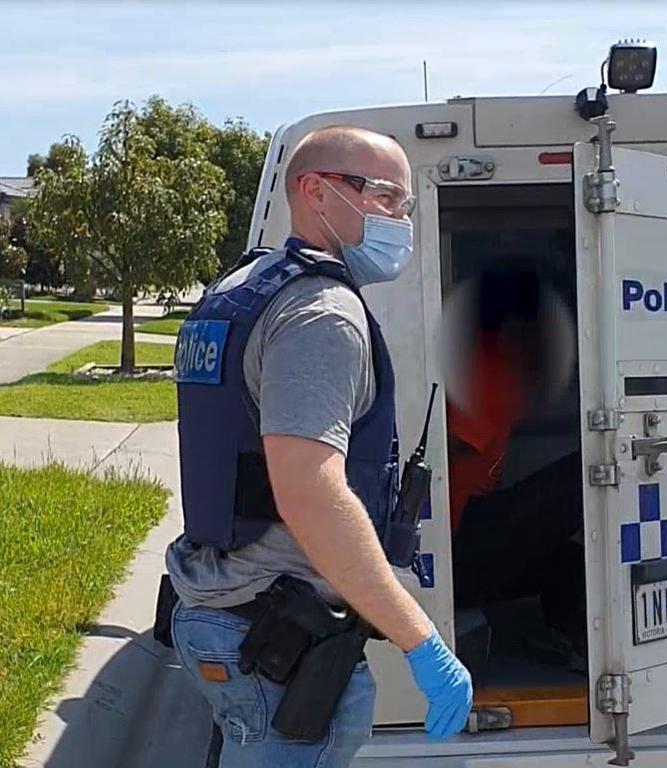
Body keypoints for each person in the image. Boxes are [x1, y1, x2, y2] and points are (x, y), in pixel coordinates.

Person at [164, 125, 472, 767]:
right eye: (388, 197)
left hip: (224, 613)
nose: (402, 221)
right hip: (273, 637)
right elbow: (309, 494)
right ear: (318, 192)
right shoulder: (322, 314)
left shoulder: (240, 289)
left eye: (406, 205)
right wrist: (420, 639)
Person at [447, 269, 586, 659]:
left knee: (569, 563)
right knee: (583, 474)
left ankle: (568, 642)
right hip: (456, 550)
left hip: (469, 544)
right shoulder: (480, 387)